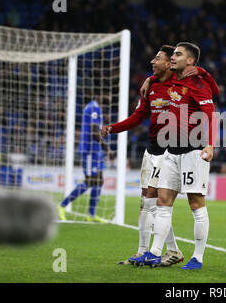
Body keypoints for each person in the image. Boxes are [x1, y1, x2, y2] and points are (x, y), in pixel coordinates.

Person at [133, 42, 216, 270]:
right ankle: (154, 253)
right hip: (170, 150)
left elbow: (211, 112)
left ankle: (198, 257)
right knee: (162, 202)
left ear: (190, 61)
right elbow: (160, 77)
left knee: (196, 204)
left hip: (193, 151)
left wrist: (210, 144)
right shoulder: (174, 81)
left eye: (178, 55)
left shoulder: (197, 83)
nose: (173, 57)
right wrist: (149, 79)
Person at [102, 45, 184, 267]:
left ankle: (147, 252)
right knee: (147, 201)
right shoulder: (153, 87)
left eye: (157, 59)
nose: (152, 62)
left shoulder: (181, 84)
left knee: (154, 200)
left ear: (169, 63)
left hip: (170, 150)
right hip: (152, 149)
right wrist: (113, 128)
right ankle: (169, 250)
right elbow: (138, 117)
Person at [58, 88, 114, 223]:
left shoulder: (97, 109)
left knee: (99, 181)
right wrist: (107, 149)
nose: (110, 96)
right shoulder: (94, 108)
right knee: (90, 181)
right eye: (108, 93)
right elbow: (95, 132)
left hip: (95, 151)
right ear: (100, 94)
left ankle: (91, 214)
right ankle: (62, 205)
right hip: (90, 150)